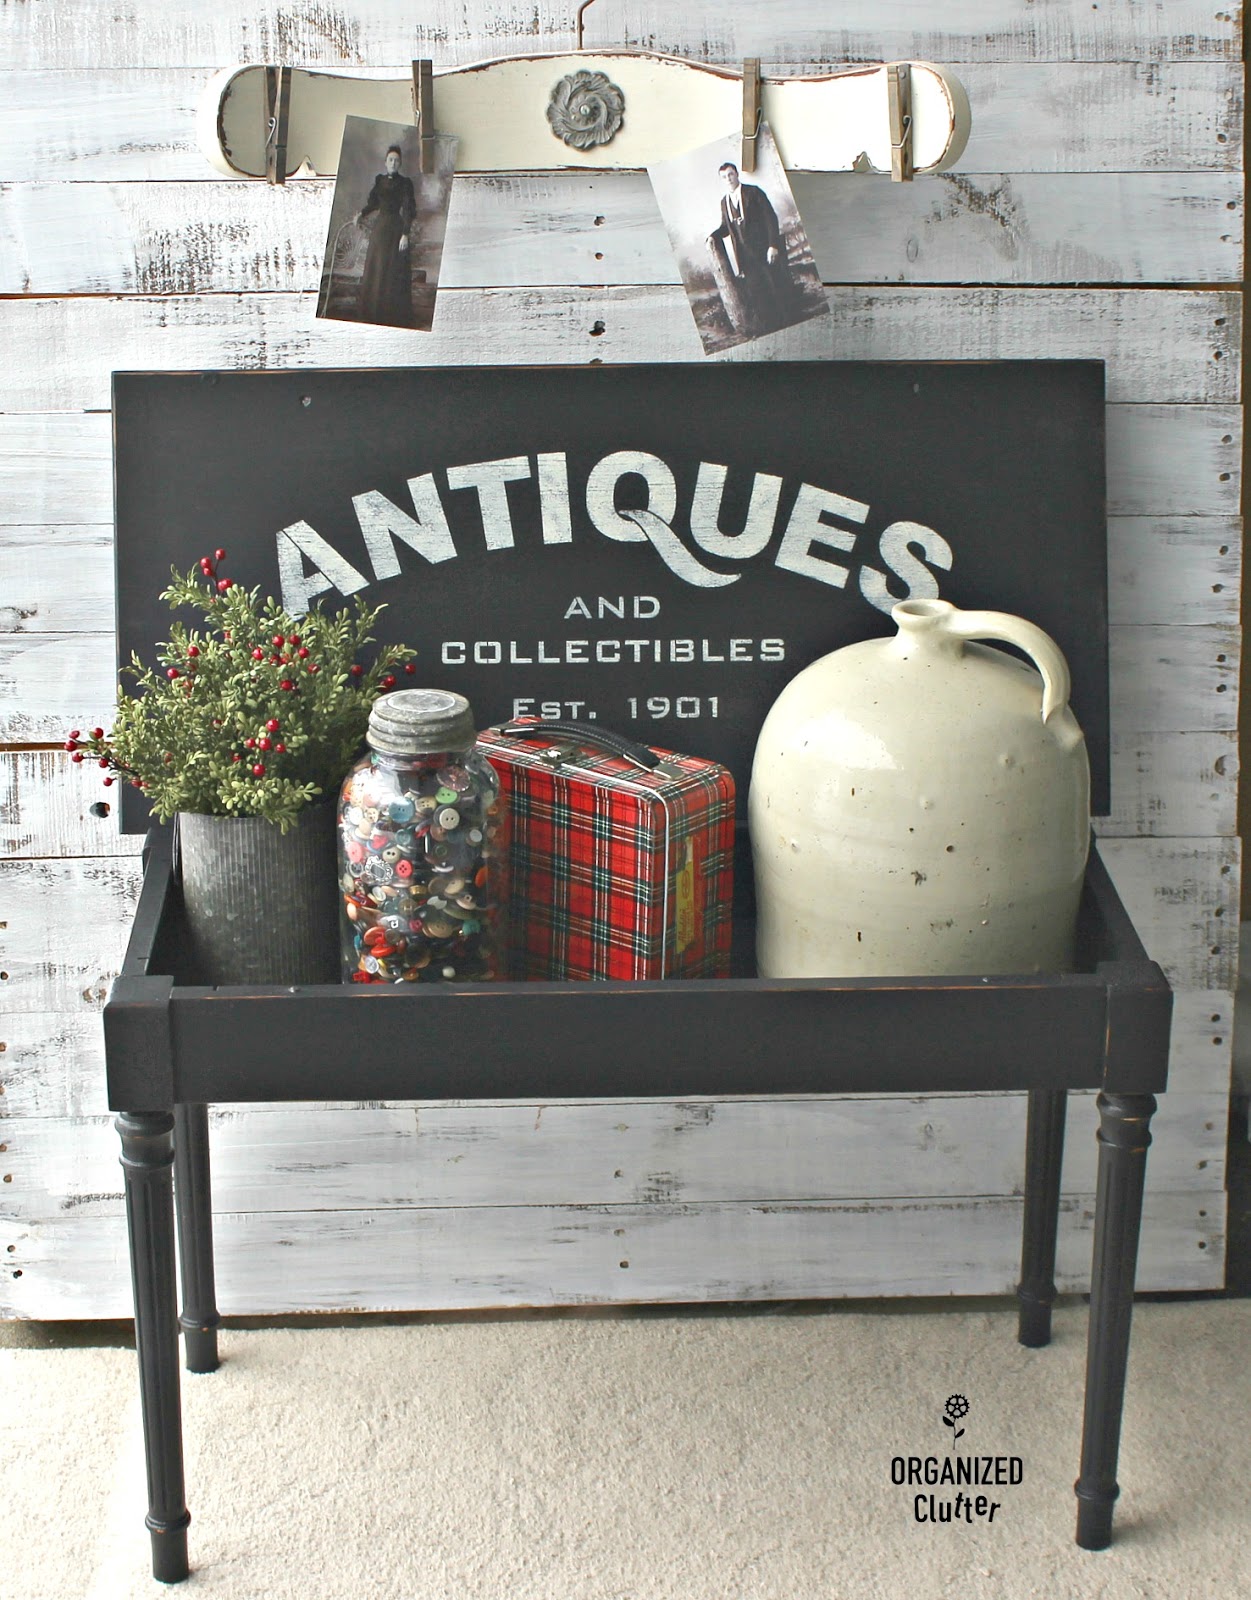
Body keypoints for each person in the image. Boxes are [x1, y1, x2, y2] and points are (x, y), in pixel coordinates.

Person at [706, 160, 791, 335]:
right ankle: (770, 329)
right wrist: (712, 236)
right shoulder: (724, 202)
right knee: (758, 293)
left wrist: (773, 245)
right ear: (722, 180)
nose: (728, 179)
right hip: (745, 258)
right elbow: (726, 227)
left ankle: (788, 324)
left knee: (776, 286)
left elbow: (770, 218)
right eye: (724, 177)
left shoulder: (753, 192)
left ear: (737, 174)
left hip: (765, 251)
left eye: (730, 174)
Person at [355, 145, 418, 326]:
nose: (393, 163)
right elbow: (374, 203)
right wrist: (361, 214)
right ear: (385, 162)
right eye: (391, 159)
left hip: (396, 230)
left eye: (397, 160)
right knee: (377, 269)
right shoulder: (379, 180)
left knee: (392, 271)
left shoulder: (405, 183)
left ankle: (392, 316)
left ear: (400, 164)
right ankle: (373, 313)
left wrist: (405, 234)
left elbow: (408, 210)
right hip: (380, 230)